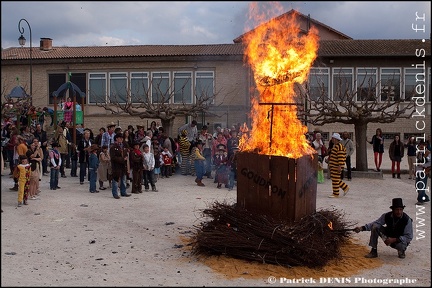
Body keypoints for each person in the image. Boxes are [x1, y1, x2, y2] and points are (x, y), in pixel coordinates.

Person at [327, 133, 349, 198]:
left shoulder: (339, 147)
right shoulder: (336, 146)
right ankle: (345, 188)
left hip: (336, 166)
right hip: (334, 166)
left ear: (335, 139)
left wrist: (339, 166)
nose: (332, 140)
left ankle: (336, 193)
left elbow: (341, 157)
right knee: (335, 179)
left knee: (335, 180)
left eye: (333, 138)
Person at [110, 133, 131, 199]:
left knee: (123, 179)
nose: (121, 139)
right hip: (116, 166)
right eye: (120, 138)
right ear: (116, 138)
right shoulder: (113, 147)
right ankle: (115, 193)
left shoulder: (123, 146)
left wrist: (126, 157)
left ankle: (123, 192)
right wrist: (122, 159)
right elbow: (113, 157)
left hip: (123, 165)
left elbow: (125, 154)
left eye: (122, 138)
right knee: (116, 179)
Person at [415, 140, 430, 205]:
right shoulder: (418, 152)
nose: (421, 146)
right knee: (417, 185)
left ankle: (420, 200)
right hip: (418, 170)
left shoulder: (428, 153)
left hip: (424, 171)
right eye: (421, 144)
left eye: (423, 145)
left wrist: (423, 165)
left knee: (421, 186)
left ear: (425, 145)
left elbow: (430, 162)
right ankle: (425, 197)